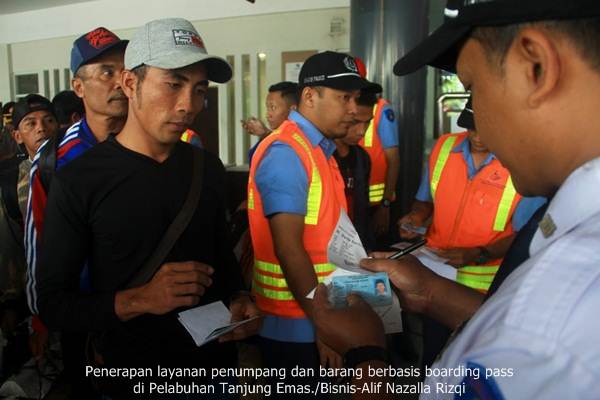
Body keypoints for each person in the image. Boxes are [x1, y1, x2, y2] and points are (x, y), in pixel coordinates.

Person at [314, 0, 600, 398]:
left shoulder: (564, 316)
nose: (474, 118)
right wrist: (431, 293)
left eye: (473, 88)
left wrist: (366, 355)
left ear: (535, 67)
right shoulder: (574, 238)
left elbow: (533, 334)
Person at [36, 18, 260, 398]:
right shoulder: (79, 180)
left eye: (199, 89)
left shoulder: (205, 167)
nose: (188, 105)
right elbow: (53, 304)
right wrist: (140, 299)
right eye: (173, 84)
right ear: (130, 83)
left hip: (213, 368)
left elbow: (220, 257)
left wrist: (240, 299)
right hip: (131, 375)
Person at [247, 51, 380, 391]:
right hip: (298, 325)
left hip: (319, 314)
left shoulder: (318, 149)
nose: (353, 108)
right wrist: (324, 324)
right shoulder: (287, 153)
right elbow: (288, 248)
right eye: (343, 97)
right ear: (309, 96)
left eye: (355, 98)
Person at [353, 58, 400, 241]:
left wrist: (385, 205)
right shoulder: (337, 109)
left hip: (375, 205)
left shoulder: (380, 109)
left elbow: (393, 159)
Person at [333, 89, 379, 251]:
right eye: (355, 122)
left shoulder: (362, 158)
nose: (362, 131)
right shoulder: (321, 157)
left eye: (367, 123)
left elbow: (362, 213)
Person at [244, 81, 299, 163]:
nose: (267, 114)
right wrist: (264, 133)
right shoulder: (278, 136)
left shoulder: (292, 143)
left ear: (293, 110)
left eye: (273, 107)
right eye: (267, 108)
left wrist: (265, 134)